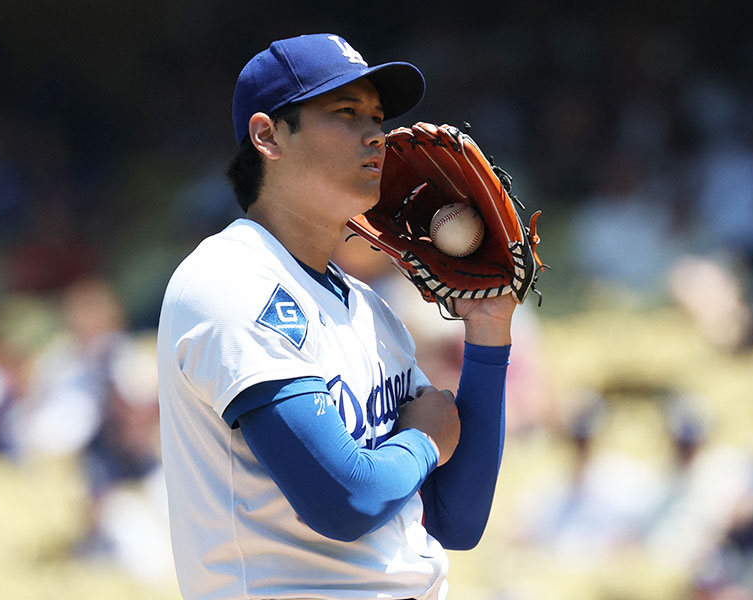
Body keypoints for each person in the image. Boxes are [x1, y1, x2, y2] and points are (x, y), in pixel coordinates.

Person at [158, 33, 517, 600]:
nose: (376, 134)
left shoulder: (370, 310)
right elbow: (345, 501)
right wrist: (425, 441)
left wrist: (488, 331)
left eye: (376, 117)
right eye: (346, 112)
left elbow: (457, 519)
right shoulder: (229, 280)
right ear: (267, 136)